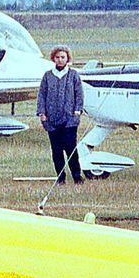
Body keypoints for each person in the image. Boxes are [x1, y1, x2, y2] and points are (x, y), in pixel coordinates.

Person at [36, 45, 85, 184]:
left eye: (63, 57)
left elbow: (79, 95)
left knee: (71, 148)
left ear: (67, 58)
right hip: (52, 119)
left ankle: (77, 176)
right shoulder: (47, 76)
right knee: (56, 151)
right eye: (57, 57)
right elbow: (42, 95)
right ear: (53, 58)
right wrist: (42, 113)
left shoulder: (73, 75)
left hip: (69, 119)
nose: (60, 60)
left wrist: (77, 112)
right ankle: (60, 178)